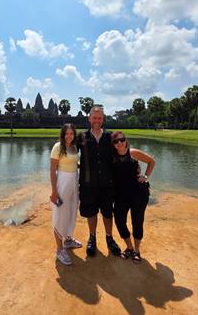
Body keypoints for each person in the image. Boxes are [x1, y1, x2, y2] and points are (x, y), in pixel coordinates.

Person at [77, 106, 121, 257]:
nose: (97, 120)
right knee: (91, 212)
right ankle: (92, 238)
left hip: (107, 183)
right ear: (89, 118)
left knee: (108, 213)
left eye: (99, 118)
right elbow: (69, 153)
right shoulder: (81, 137)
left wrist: (136, 168)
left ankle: (109, 238)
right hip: (88, 184)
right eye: (94, 117)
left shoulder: (110, 137)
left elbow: (121, 153)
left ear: (103, 119)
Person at [111, 131, 155, 263]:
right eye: (116, 141)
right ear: (113, 144)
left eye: (122, 140)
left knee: (137, 221)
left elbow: (151, 162)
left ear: (126, 140)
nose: (119, 143)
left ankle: (136, 250)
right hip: (121, 195)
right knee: (119, 221)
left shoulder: (133, 152)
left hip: (139, 193)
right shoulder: (112, 157)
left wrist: (145, 176)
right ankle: (129, 247)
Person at [50, 123, 82, 265]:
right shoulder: (58, 147)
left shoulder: (74, 147)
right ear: (62, 135)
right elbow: (52, 170)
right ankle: (59, 249)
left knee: (71, 211)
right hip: (62, 182)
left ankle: (68, 239)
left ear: (74, 134)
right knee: (60, 214)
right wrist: (54, 192)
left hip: (74, 181)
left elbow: (75, 163)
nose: (69, 136)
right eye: (66, 134)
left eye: (71, 133)